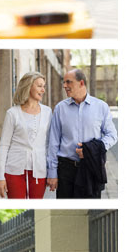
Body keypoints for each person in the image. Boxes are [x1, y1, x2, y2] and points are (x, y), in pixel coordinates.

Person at [46, 68, 117, 198]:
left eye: (69, 82)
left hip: (91, 168)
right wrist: (52, 173)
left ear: (81, 83)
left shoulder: (101, 107)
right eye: (64, 82)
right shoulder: (60, 108)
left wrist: (92, 150)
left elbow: (112, 135)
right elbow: (53, 142)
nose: (64, 86)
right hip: (66, 169)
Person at [0, 71, 52, 199]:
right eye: (39, 86)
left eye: (44, 86)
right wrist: (0, 177)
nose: (43, 90)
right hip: (14, 168)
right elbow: (4, 145)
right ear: (28, 86)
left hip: (39, 168)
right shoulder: (13, 113)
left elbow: (50, 144)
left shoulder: (48, 112)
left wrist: (52, 172)